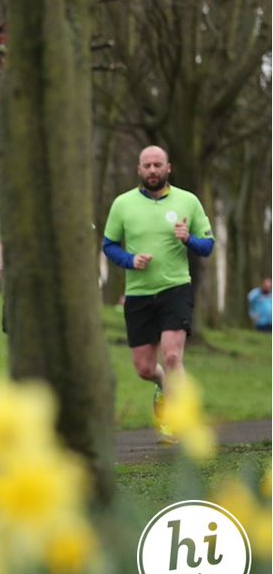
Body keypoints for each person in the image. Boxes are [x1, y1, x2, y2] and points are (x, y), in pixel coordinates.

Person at [102, 145, 213, 442]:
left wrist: (188, 239)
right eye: (147, 165)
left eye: (158, 164)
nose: (153, 170)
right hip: (138, 293)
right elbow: (108, 245)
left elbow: (207, 246)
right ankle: (162, 384)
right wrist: (130, 260)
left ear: (168, 168)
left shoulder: (188, 201)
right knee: (144, 368)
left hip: (175, 288)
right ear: (139, 170)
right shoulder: (122, 204)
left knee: (173, 355)